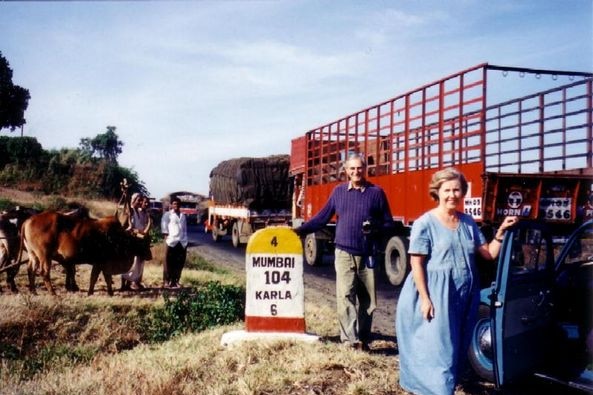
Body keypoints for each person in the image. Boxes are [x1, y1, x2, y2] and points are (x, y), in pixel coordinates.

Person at [395, 167, 518, 395]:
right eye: (447, 190)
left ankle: (446, 385)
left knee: (458, 345)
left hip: (465, 293)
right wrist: (425, 298)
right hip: (435, 293)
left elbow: (488, 254)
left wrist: (501, 232)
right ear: (437, 192)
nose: (452, 195)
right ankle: (436, 389)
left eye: (457, 190)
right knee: (440, 348)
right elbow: (416, 263)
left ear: (463, 193)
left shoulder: (468, 222)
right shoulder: (425, 223)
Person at [295, 153, 394, 349]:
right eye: (352, 168)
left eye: (360, 168)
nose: (356, 172)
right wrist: (299, 230)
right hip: (344, 253)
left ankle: (363, 339)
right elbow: (321, 218)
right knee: (345, 296)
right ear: (346, 171)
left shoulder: (377, 193)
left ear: (365, 170)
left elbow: (389, 223)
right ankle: (349, 340)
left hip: (368, 255)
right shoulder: (338, 192)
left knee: (368, 301)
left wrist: (376, 227)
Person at [121, 193, 152, 291]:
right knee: (130, 263)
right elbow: (129, 227)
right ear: (133, 200)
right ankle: (124, 285)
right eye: (138, 200)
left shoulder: (140, 212)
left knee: (137, 263)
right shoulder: (130, 211)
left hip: (139, 239)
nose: (140, 202)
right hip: (131, 239)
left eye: (140, 200)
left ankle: (132, 283)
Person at [160, 196, 188, 288]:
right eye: (174, 204)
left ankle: (176, 280)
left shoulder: (183, 215)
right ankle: (166, 281)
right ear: (171, 205)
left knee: (179, 262)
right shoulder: (168, 215)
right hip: (171, 241)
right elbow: (164, 229)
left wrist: (185, 239)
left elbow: (184, 229)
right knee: (168, 262)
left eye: (178, 204)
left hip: (181, 241)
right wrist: (167, 239)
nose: (176, 205)